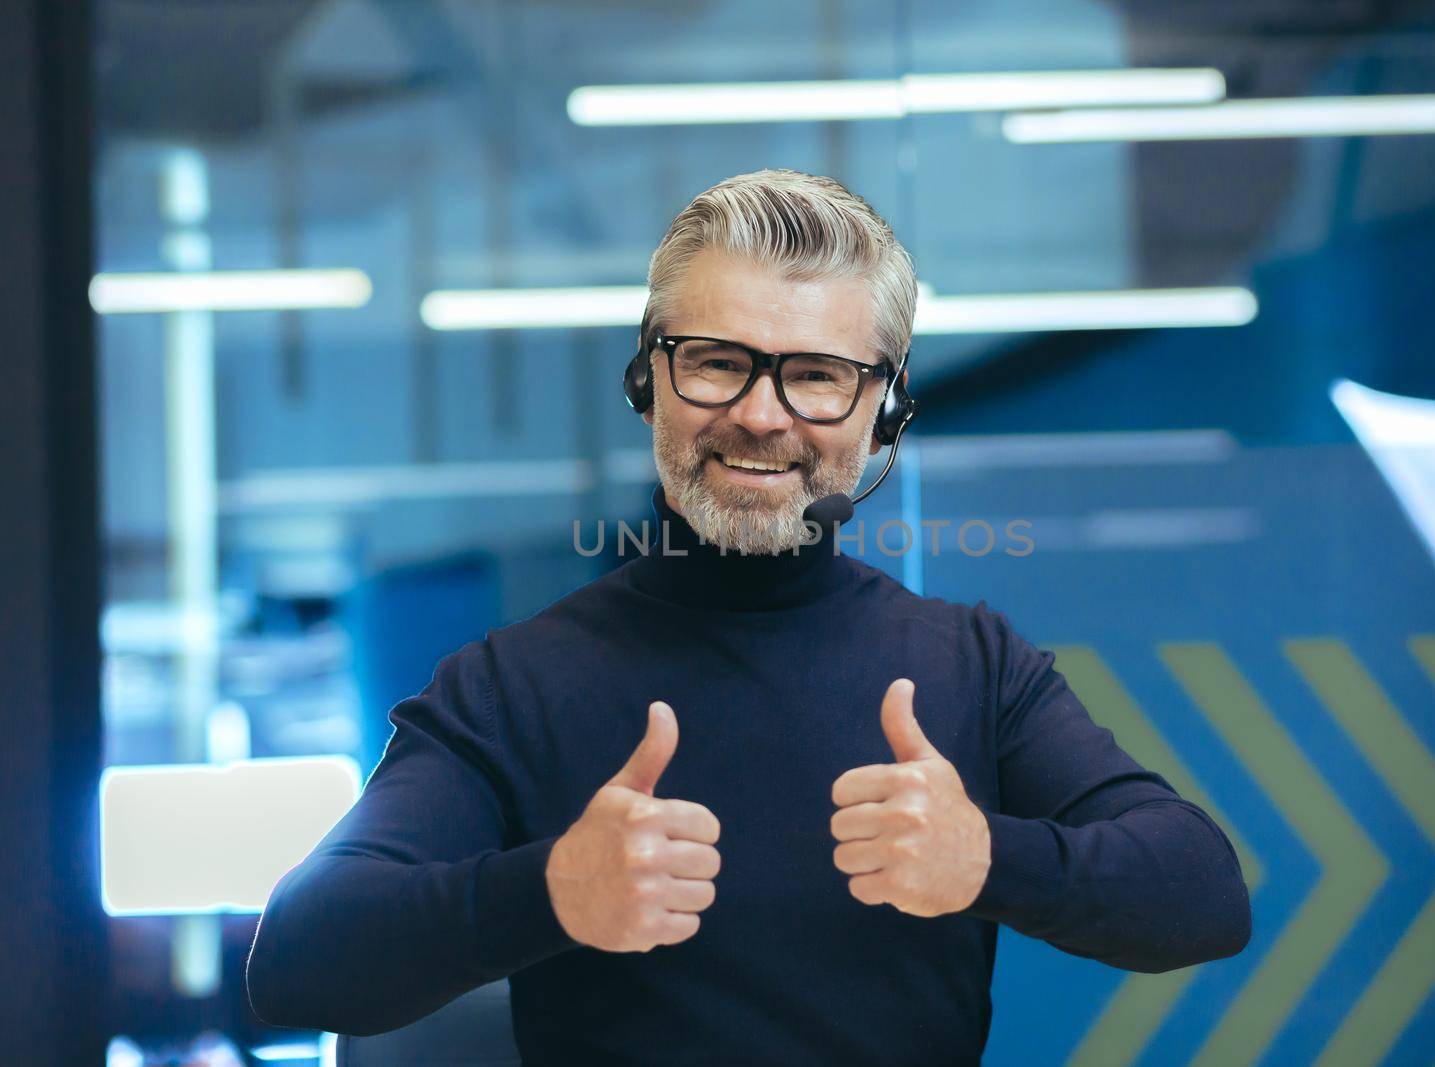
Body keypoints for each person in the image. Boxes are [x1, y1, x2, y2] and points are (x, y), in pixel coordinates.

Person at [246, 169, 1251, 1065]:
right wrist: (550, 888)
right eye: (719, 361)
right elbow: (295, 960)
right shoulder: (512, 685)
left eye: (816, 374)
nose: (762, 415)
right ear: (648, 382)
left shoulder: (970, 666)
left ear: (883, 412)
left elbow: (1203, 893)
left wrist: (989, 857)